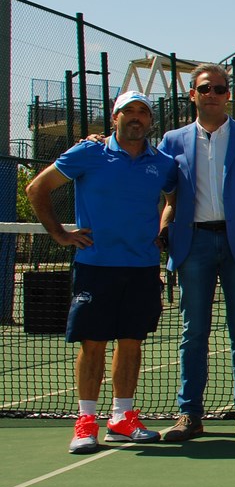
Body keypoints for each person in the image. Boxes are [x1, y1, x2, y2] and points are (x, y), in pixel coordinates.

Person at [26, 92, 178, 452]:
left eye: (143, 112)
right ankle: (86, 422)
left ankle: (122, 418)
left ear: (150, 121)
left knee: (131, 343)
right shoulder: (88, 152)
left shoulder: (164, 163)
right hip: (95, 267)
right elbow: (36, 188)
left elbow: (172, 200)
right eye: (129, 111)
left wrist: (162, 229)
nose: (136, 117)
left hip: (142, 267)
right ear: (115, 117)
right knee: (92, 344)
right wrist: (59, 234)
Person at [159, 64, 235, 441]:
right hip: (193, 244)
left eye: (220, 89)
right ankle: (189, 413)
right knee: (193, 332)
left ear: (229, 95)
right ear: (193, 94)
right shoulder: (172, 141)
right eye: (205, 88)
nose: (213, 94)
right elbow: (157, 181)